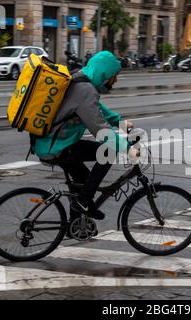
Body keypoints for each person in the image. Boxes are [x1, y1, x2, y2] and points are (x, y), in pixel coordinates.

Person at [31, 51, 138, 220]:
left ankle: (76, 224)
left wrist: (120, 123)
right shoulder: (85, 89)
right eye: (114, 76)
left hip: (50, 143)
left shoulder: (80, 79)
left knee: (83, 181)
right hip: (57, 146)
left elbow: (96, 107)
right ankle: (83, 202)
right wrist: (128, 149)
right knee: (108, 152)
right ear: (105, 74)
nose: (115, 81)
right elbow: (100, 129)